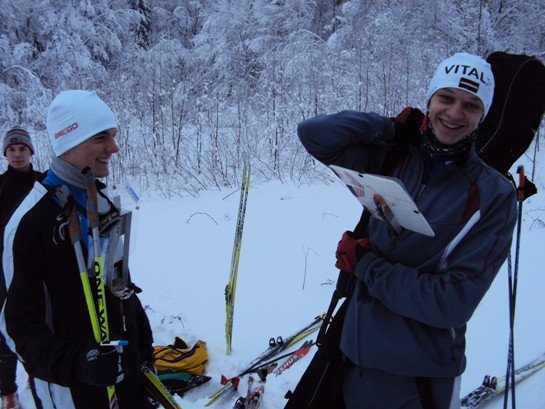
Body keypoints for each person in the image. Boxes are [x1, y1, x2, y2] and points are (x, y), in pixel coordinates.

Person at [297, 52, 517, 408]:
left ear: (483, 116)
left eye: (471, 105)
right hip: (351, 357)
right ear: (429, 100)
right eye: (446, 98)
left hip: (417, 377)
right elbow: (314, 135)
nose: (455, 113)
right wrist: (389, 128)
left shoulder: (493, 195)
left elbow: (451, 304)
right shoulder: (395, 157)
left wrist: (366, 265)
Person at [0, 90, 155, 408]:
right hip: (71, 392)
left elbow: (119, 286)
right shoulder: (30, 223)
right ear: (68, 140)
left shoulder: (103, 202)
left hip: (125, 378)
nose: (114, 147)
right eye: (101, 138)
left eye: (113, 136)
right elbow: (18, 328)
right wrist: (79, 364)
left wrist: (144, 350)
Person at [0, 128, 44, 409]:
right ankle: (8, 391)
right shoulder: (0, 185)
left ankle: (38, 378)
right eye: (12, 150)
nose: (17, 155)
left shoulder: (43, 182)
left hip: (39, 265)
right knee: (6, 328)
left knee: (40, 323)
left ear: (31, 152)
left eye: (22, 150)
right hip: (4, 269)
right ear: (5, 154)